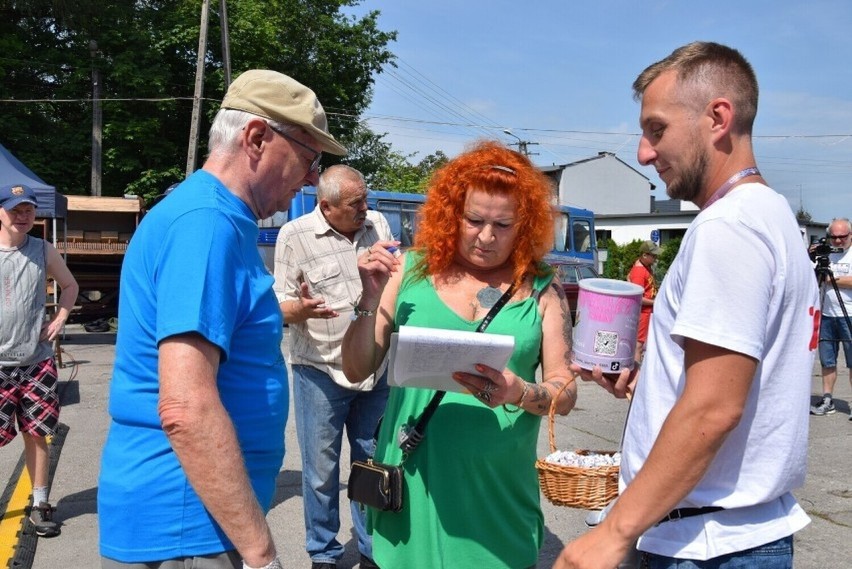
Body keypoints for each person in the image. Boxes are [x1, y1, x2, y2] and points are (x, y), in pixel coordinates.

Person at [555, 42, 819, 569]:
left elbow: (715, 407)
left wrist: (613, 533)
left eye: (657, 129)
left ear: (717, 118)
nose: (644, 152)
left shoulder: (728, 228)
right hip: (734, 534)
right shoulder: (771, 216)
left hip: (707, 546)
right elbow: (733, 381)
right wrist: (655, 381)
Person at [98, 69, 347, 569]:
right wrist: (262, 555)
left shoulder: (213, 218)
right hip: (187, 524)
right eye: (308, 157)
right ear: (256, 138)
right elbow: (185, 407)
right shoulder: (207, 224)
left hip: (193, 517)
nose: (313, 177)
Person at [341, 140, 578, 569]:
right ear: (452, 214)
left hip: (497, 497)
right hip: (412, 488)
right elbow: (356, 367)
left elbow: (566, 390)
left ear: (525, 225)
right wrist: (369, 298)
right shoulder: (408, 272)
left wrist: (519, 391)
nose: (486, 237)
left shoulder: (542, 289)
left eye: (503, 225)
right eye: (474, 220)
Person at [273, 164, 393, 569]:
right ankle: (323, 553)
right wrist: (301, 309)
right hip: (320, 372)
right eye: (355, 203)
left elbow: (394, 284)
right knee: (321, 472)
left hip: (376, 370)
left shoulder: (377, 224)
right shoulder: (295, 236)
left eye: (366, 198)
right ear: (326, 206)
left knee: (371, 464)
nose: (366, 208)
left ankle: (373, 550)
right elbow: (279, 305)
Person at [0, 183, 78, 538]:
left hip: (36, 362)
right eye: (16, 209)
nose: (23, 216)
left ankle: (40, 503)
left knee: (37, 434)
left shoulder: (43, 249)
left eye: (28, 209)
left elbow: (70, 286)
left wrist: (60, 319)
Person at [810, 218, 852, 418]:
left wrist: (832, 279)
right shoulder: (823, 255)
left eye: (842, 237)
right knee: (827, 361)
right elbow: (812, 278)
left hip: (849, 314)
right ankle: (827, 399)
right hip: (827, 313)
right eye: (833, 237)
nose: (837, 241)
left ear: (850, 235)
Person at [627, 240, 661, 364]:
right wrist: (656, 303)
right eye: (654, 256)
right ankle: (636, 372)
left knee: (642, 344)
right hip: (643, 313)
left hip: (647, 312)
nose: (656, 258)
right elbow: (638, 297)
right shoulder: (639, 271)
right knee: (638, 345)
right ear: (645, 255)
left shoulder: (645, 268)